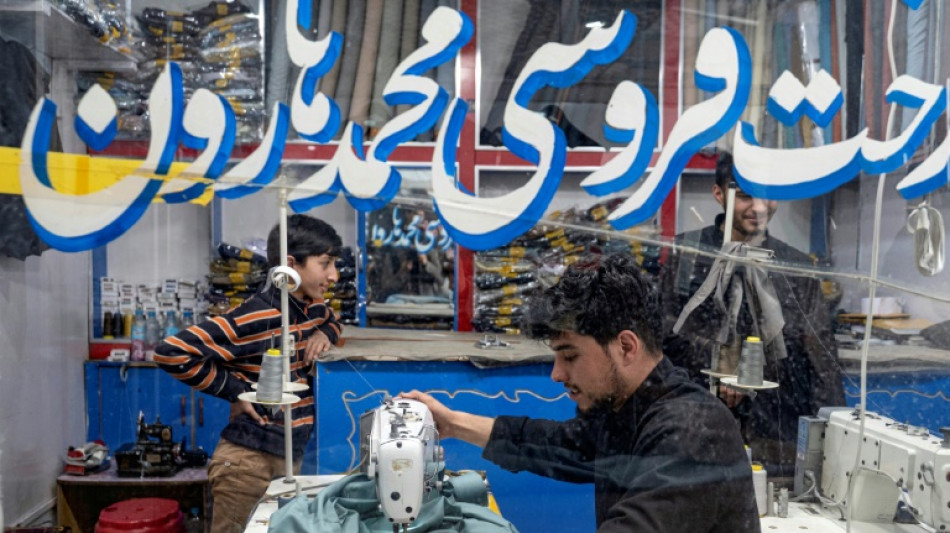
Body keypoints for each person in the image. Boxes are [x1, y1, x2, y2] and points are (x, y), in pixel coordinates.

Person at [404, 253, 760, 532]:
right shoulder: (630, 411)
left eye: (570, 356)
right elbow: (557, 445)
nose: (557, 374)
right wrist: (451, 423)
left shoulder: (691, 430)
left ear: (625, 346)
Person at [660, 151, 845, 481]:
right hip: (696, 428)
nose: (759, 208)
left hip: (775, 436)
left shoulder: (796, 267)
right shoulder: (687, 253)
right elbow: (663, 335)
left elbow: (821, 360)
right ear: (719, 194)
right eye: (744, 196)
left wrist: (833, 440)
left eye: (768, 196)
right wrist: (721, 360)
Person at [155, 214, 343, 533]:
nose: (334, 276)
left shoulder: (312, 310)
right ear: (290, 264)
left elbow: (332, 319)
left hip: (290, 458)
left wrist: (325, 334)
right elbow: (171, 351)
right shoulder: (255, 315)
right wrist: (236, 391)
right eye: (325, 264)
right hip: (247, 465)